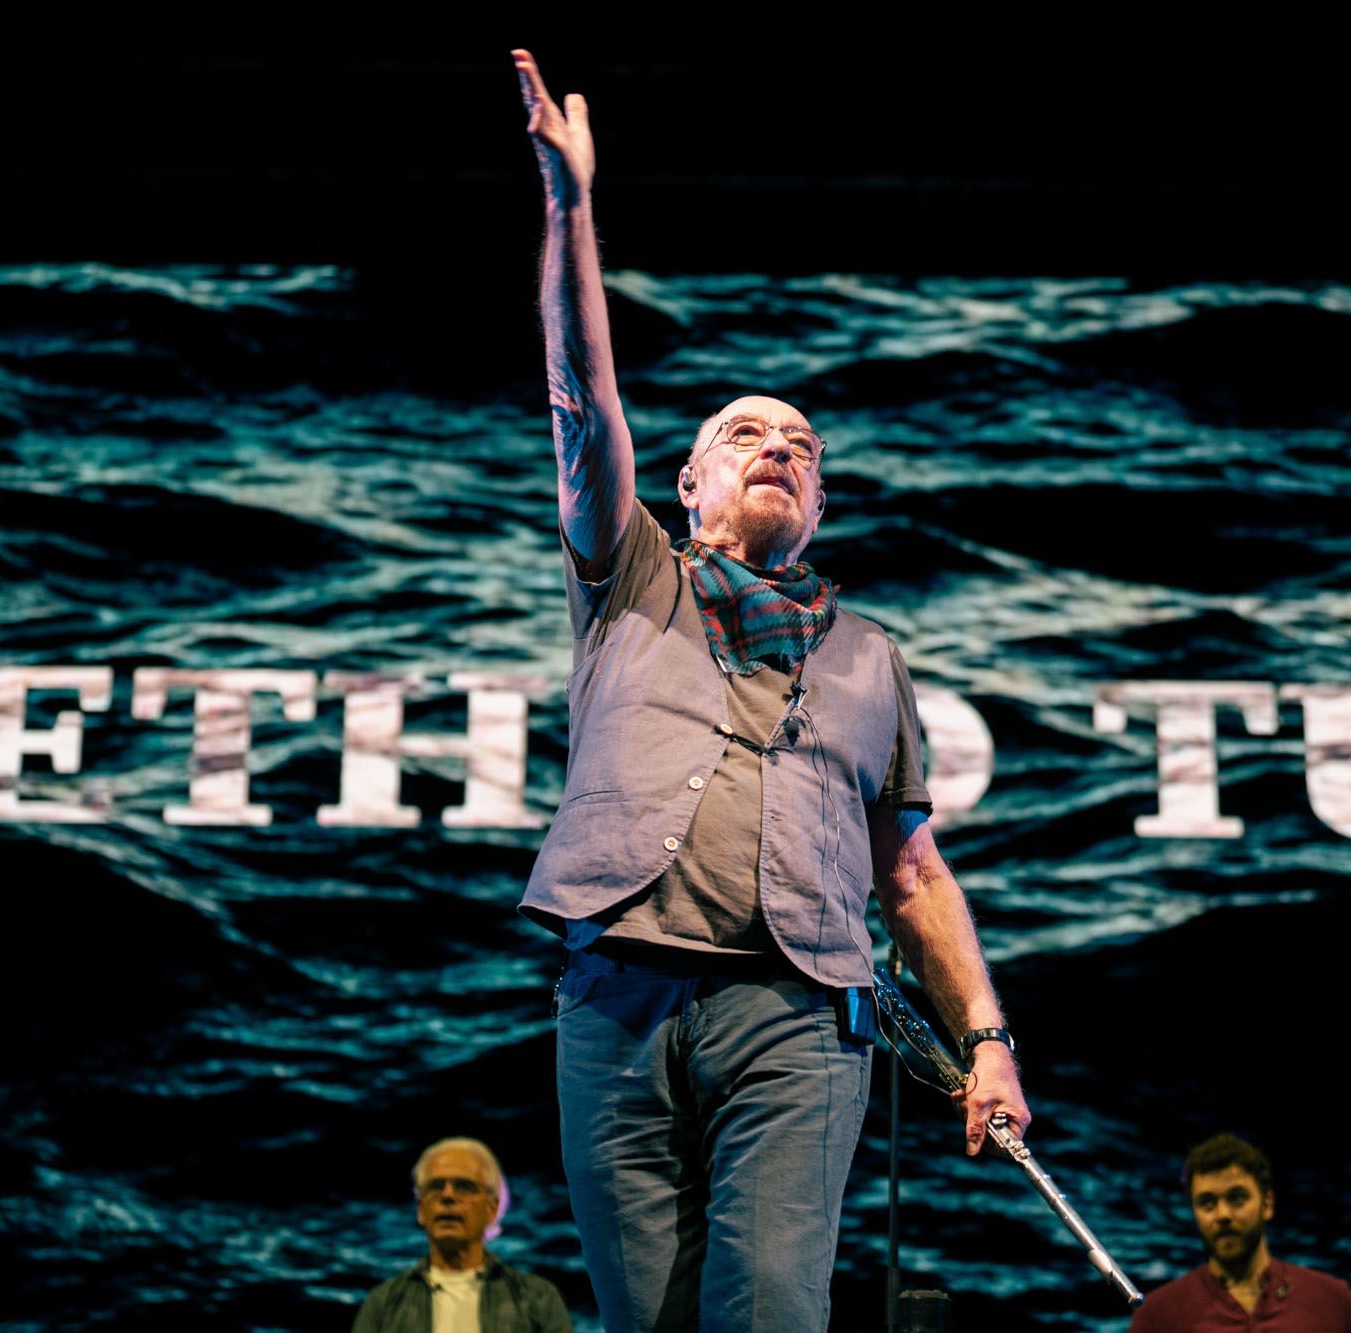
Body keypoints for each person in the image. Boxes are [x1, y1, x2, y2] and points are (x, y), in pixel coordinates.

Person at [511, 48, 1033, 1333]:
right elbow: (581, 401)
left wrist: (985, 1040)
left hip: (798, 1016)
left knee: (772, 1313)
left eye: (803, 445)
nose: (780, 450)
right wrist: (571, 205)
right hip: (617, 995)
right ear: (686, 484)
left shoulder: (870, 657)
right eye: (745, 433)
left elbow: (910, 871)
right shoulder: (630, 575)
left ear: (819, 502)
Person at [1131, 1134, 1351, 1332]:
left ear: (1267, 1204)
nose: (1223, 1214)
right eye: (1207, 1202)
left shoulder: (1332, 1301)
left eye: (1237, 1198)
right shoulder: (1158, 1316)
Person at [352, 1137, 571, 1333]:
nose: (448, 1196)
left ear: (492, 1209)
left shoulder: (538, 1300)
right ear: (421, 1209)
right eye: (436, 1186)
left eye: (464, 1187)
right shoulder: (383, 1304)